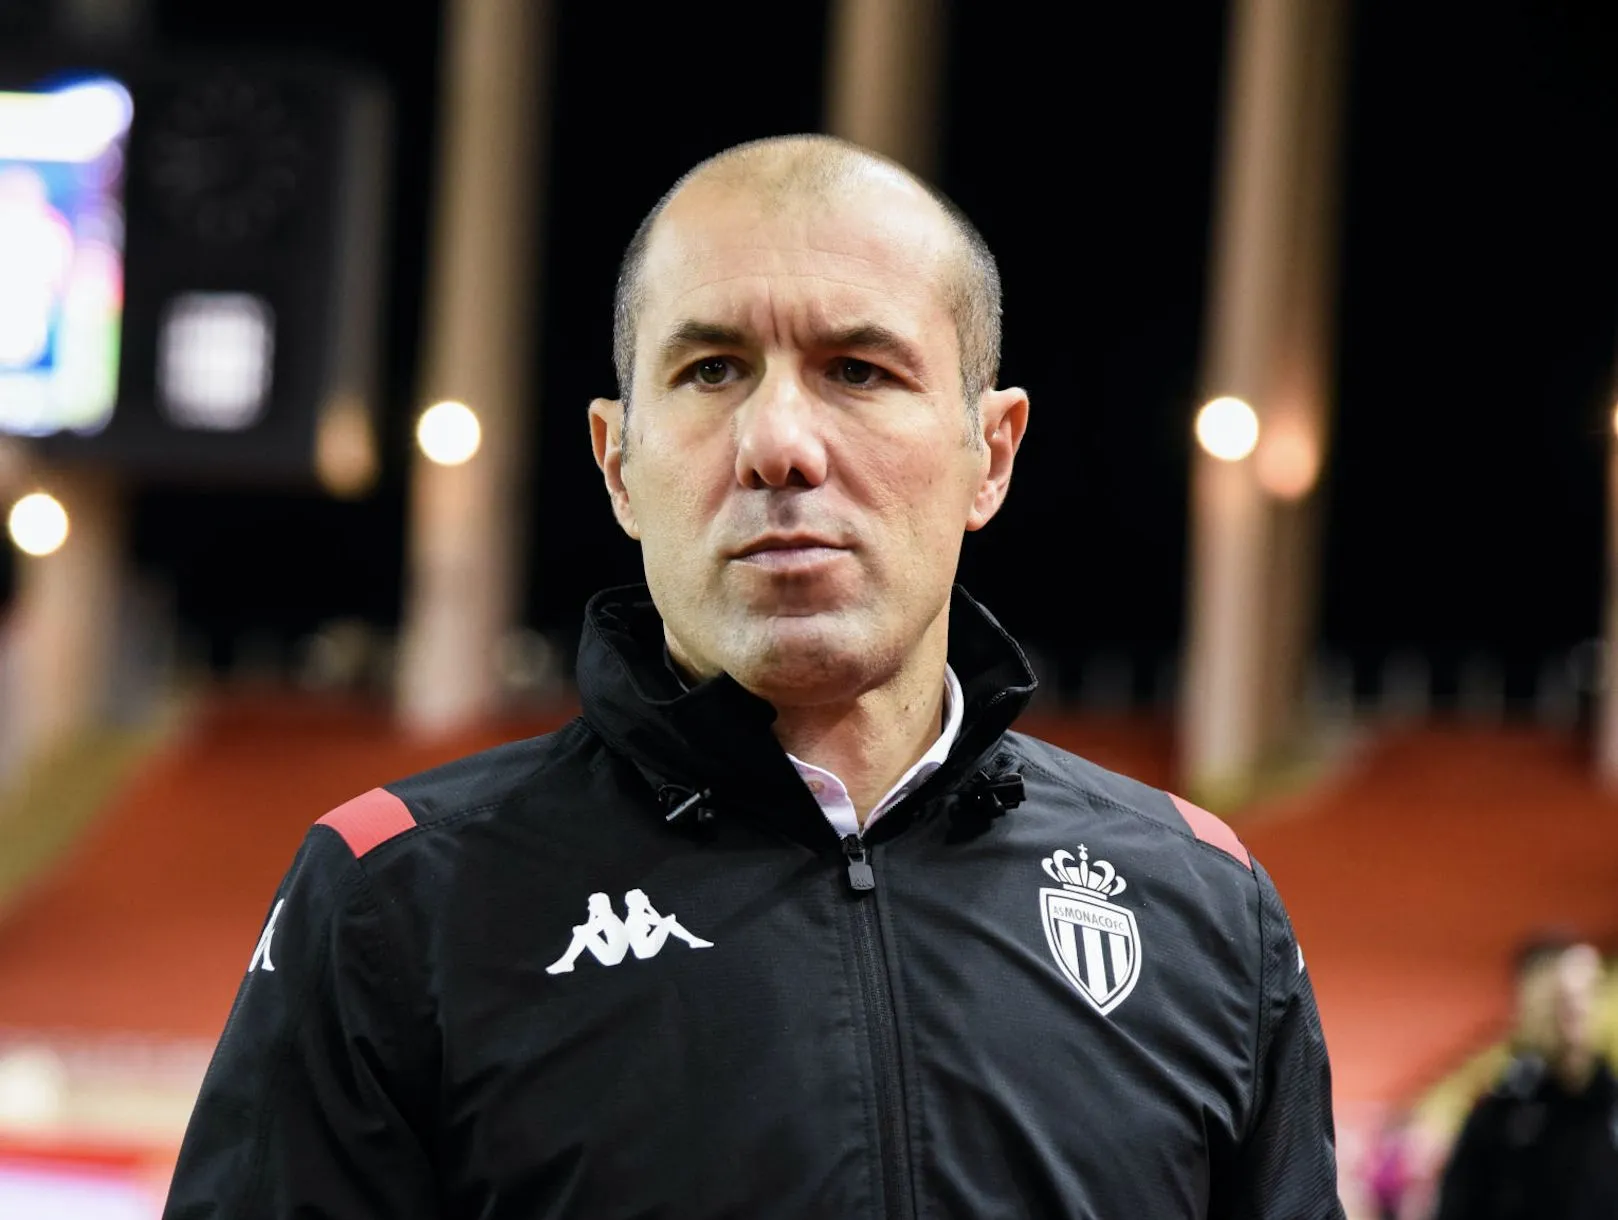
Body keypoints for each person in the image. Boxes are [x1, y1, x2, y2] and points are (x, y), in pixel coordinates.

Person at [162, 135, 1343, 1218]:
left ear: (990, 453)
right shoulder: (393, 901)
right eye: (713, 368)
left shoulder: (1203, 909)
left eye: (859, 369)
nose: (779, 442)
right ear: (617, 463)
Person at [1433, 932, 1618, 1219]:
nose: (1577, 1009)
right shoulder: (1501, 1113)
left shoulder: (1609, 1104)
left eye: (1589, 992)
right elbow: (1458, 1203)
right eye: (1562, 999)